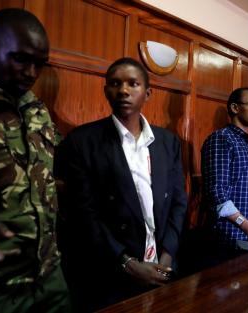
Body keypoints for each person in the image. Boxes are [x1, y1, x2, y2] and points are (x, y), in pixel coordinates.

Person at [56, 57, 187, 312]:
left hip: (163, 266)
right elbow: (84, 214)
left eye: (133, 84)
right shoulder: (83, 141)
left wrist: (167, 254)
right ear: (106, 91)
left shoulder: (167, 141)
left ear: (147, 93)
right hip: (111, 271)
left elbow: (178, 202)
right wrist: (126, 262)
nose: (123, 90)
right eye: (115, 83)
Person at [0, 8, 70, 313]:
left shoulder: (36, 111)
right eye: (20, 58)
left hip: (49, 277)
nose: (31, 73)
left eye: (39, 64)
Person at [201, 87, 248, 264]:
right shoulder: (222, 139)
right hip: (227, 240)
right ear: (235, 108)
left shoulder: (247, 145)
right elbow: (217, 195)